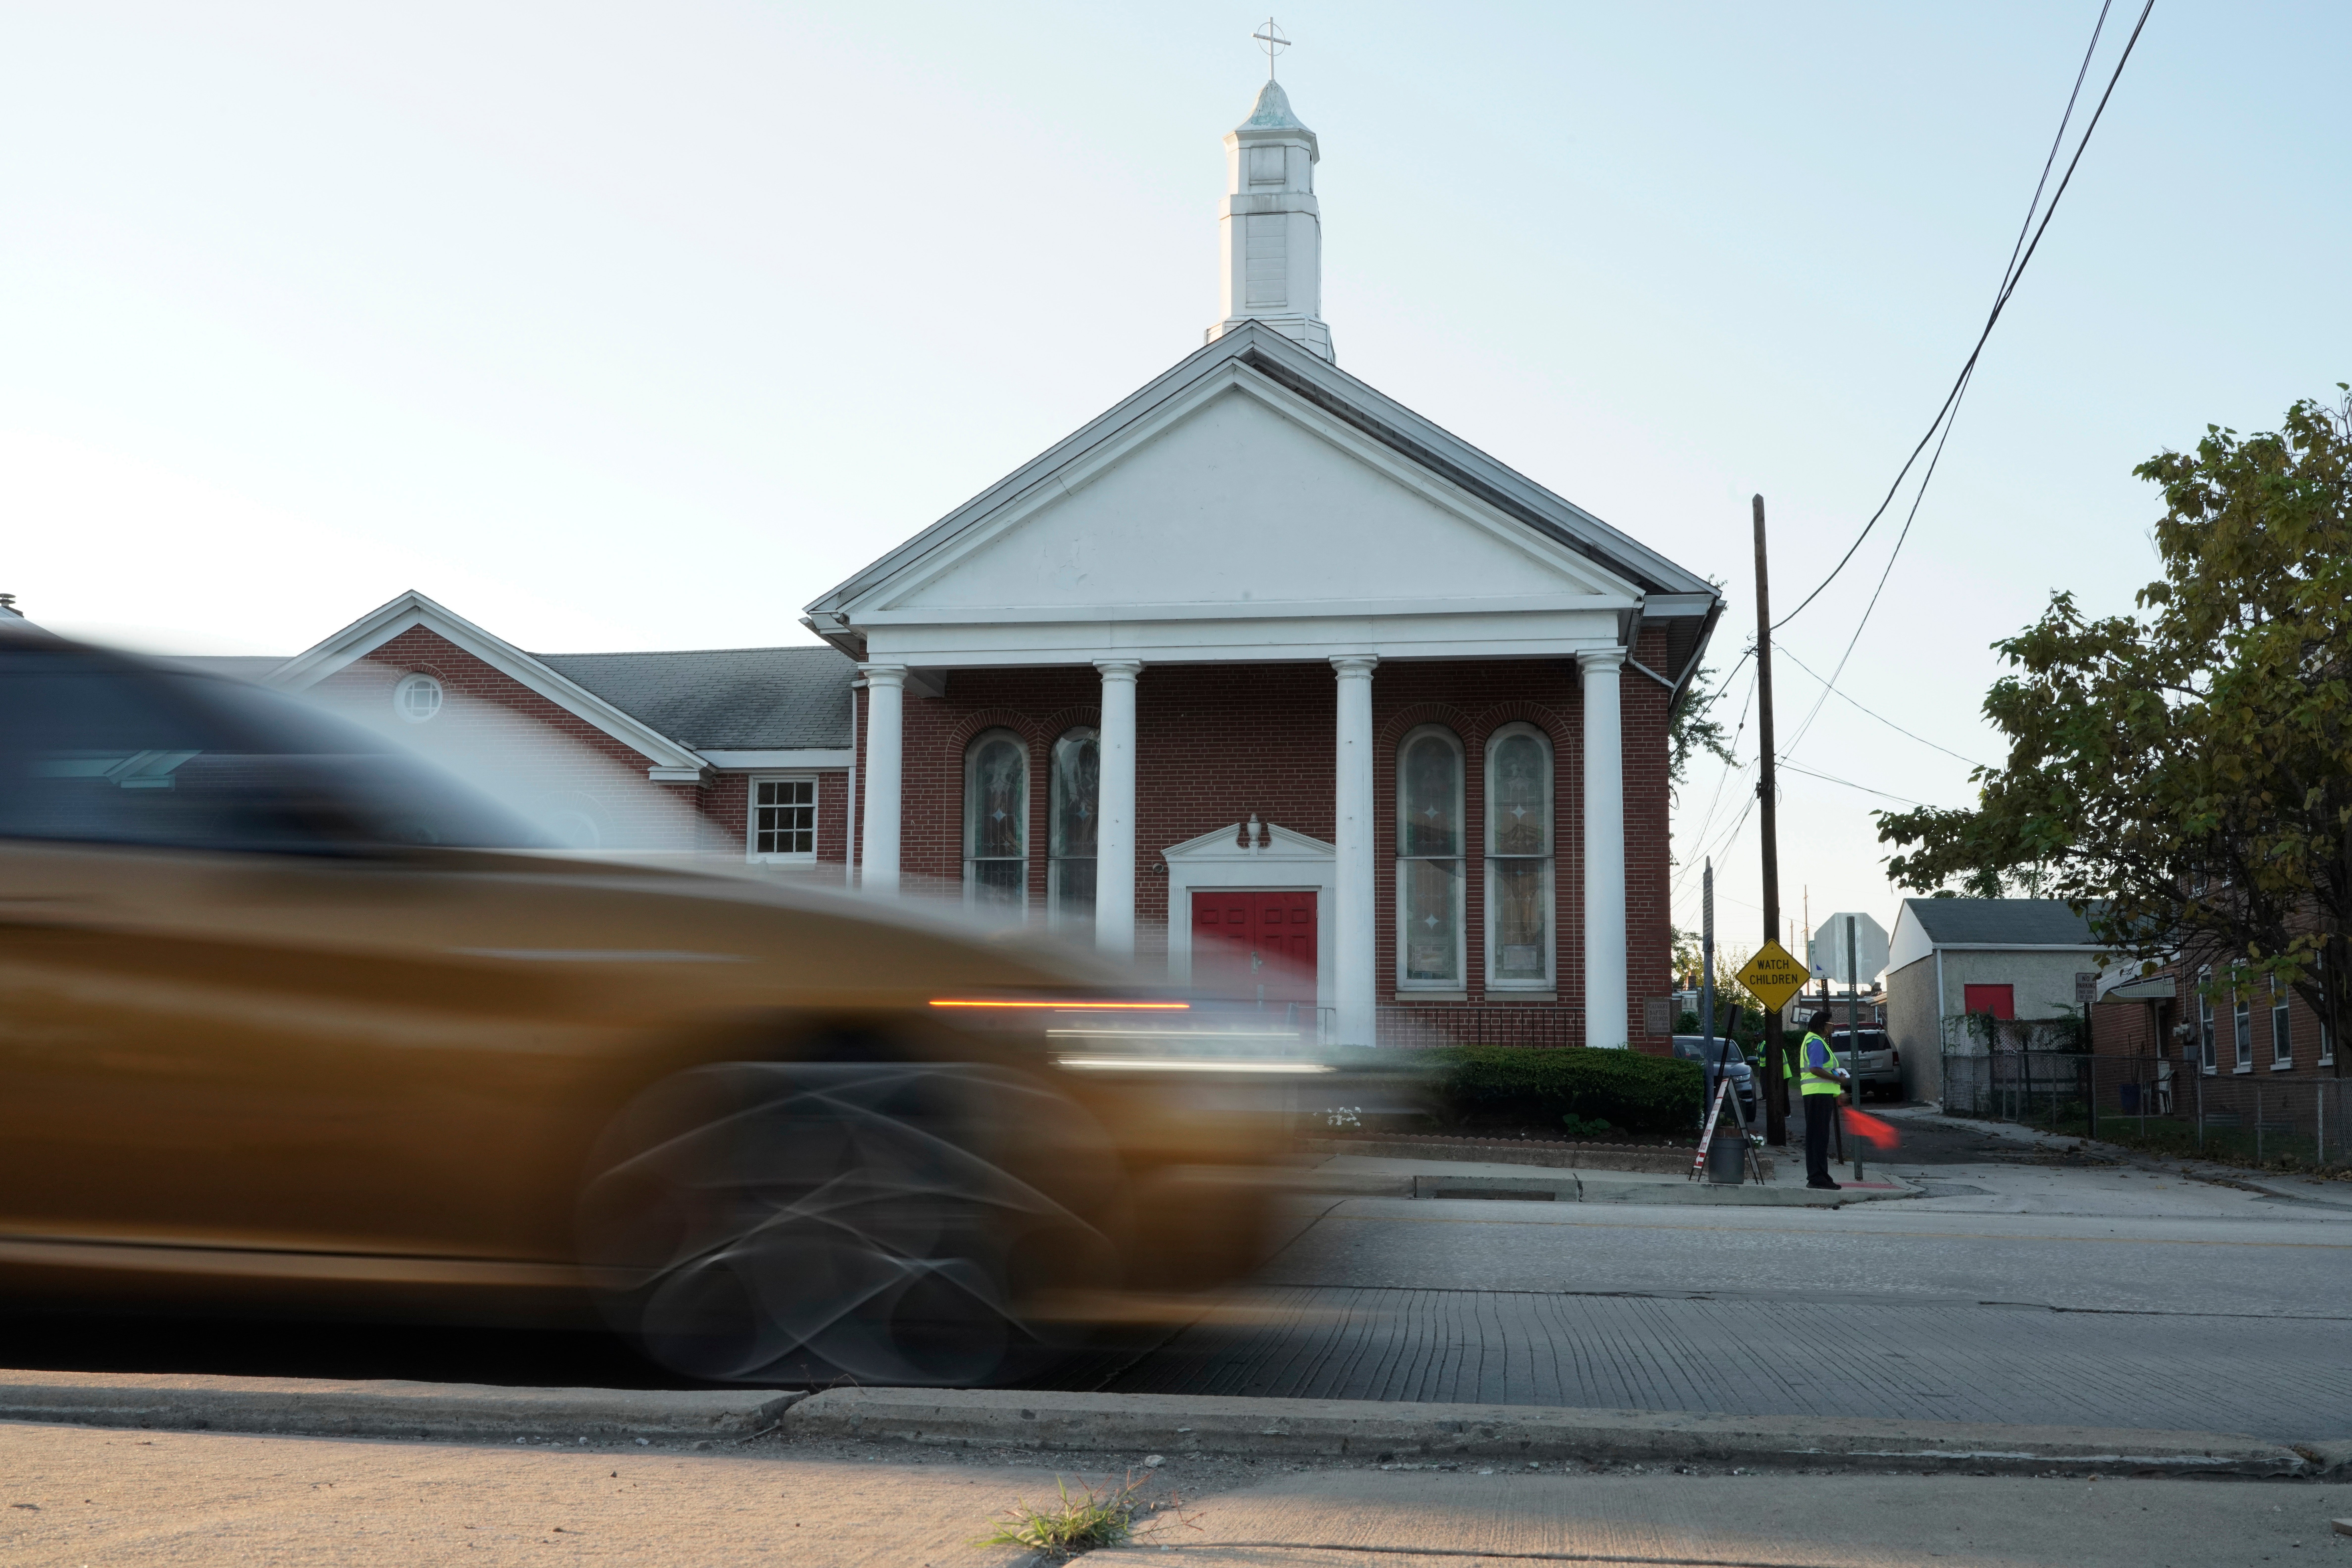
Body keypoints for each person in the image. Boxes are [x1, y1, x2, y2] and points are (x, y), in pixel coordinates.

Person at [1791, 1007, 1851, 1189]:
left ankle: (1821, 1176)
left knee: (1818, 1137)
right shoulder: (1816, 1042)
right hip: (1818, 1094)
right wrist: (1838, 1079)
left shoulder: (1814, 1040)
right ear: (1823, 1026)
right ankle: (1817, 1178)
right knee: (1819, 1138)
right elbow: (1815, 1069)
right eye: (1831, 1024)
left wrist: (1838, 1090)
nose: (1833, 1027)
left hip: (1818, 1094)